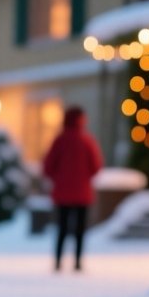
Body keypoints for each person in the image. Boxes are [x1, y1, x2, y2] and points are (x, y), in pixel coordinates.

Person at [42, 106, 103, 272]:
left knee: (62, 228)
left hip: (62, 193)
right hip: (82, 194)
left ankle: (58, 261)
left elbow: (47, 167)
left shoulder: (59, 141)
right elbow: (96, 166)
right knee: (80, 229)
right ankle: (77, 261)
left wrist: (59, 178)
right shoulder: (87, 141)